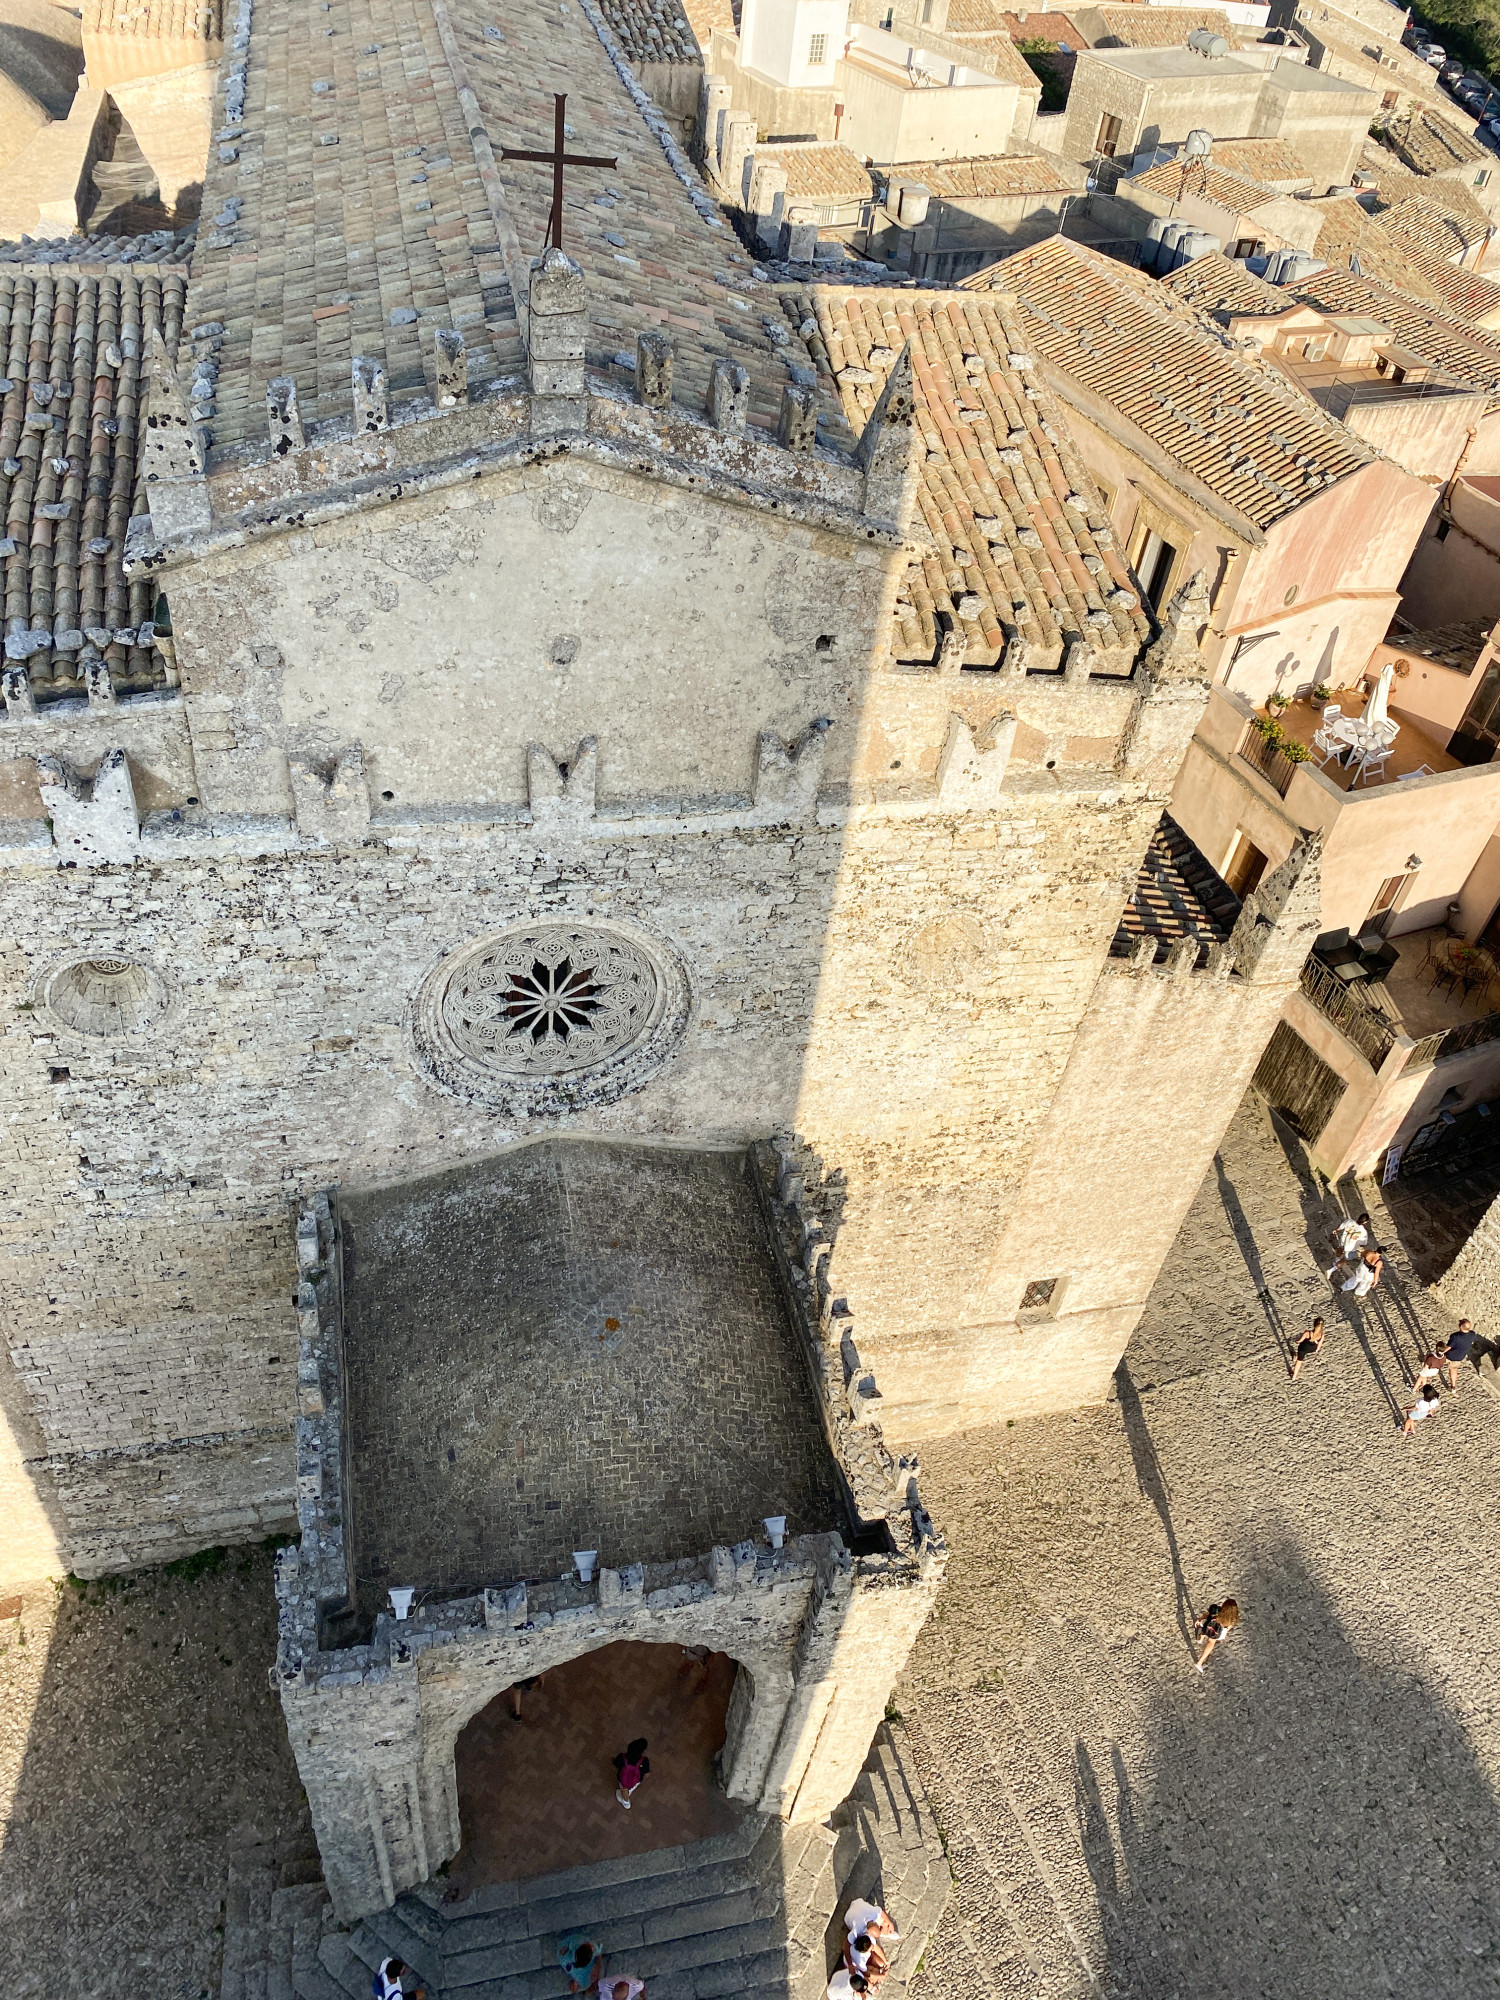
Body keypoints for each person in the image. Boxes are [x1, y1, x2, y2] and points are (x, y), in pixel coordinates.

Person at [1193, 1598, 1238, 1673]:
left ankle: (1200, 1639)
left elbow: (1207, 1615)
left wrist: (1200, 1619)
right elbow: (1228, 1628)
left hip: (1208, 1625)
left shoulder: (1218, 1610)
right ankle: (1199, 1663)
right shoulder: (1232, 1619)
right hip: (1217, 1632)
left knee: (1205, 1626)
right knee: (1211, 1642)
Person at [1326, 1211, 1371, 1280]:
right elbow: (1363, 1243)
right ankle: (1331, 1270)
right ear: (1365, 1222)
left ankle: (1336, 1259)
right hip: (1350, 1248)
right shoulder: (1363, 1232)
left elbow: (1340, 1227)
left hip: (1343, 1241)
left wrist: (1336, 1230)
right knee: (1344, 1260)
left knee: (1340, 1249)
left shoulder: (1350, 1221)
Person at [1439, 1319, 1478, 1391]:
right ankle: (1453, 1387)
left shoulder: (1455, 1336)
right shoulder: (1472, 1334)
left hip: (1449, 1355)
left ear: (1460, 1326)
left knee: (1437, 1362)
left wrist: (1441, 1353)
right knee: (1453, 1369)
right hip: (1460, 1357)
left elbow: (1449, 1347)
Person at [613, 1737, 650, 1810]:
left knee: (623, 1789)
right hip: (634, 1782)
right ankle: (625, 1801)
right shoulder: (644, 1761)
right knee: (628, 1791)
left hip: (621, 1779)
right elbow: (646, 1774)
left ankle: (625, 1799)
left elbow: (616, 1764)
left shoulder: (621, 1757)